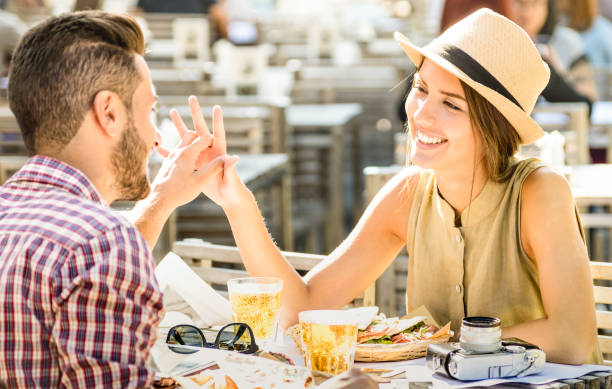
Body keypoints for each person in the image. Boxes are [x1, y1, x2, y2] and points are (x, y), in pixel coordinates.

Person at [204, 9, 602, 364]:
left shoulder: (538, 191)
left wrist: (435, 343)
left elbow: (572, 339)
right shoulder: (407, 193)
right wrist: (237, 204)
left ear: (493, 127)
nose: (422, 114)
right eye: (421, 88)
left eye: (451, 104)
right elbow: (303, 307)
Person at [0, 11, 235, 388]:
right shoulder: (104, 245)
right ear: (108, 112)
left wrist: (160, 199)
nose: (156, 139)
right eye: (150, 111)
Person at [508, 0, 598, 104]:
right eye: (520, 3)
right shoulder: (494, 46)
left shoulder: (567, 43)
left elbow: (588, 101)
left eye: (536, 4)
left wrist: (557, 73)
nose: (527, 13)